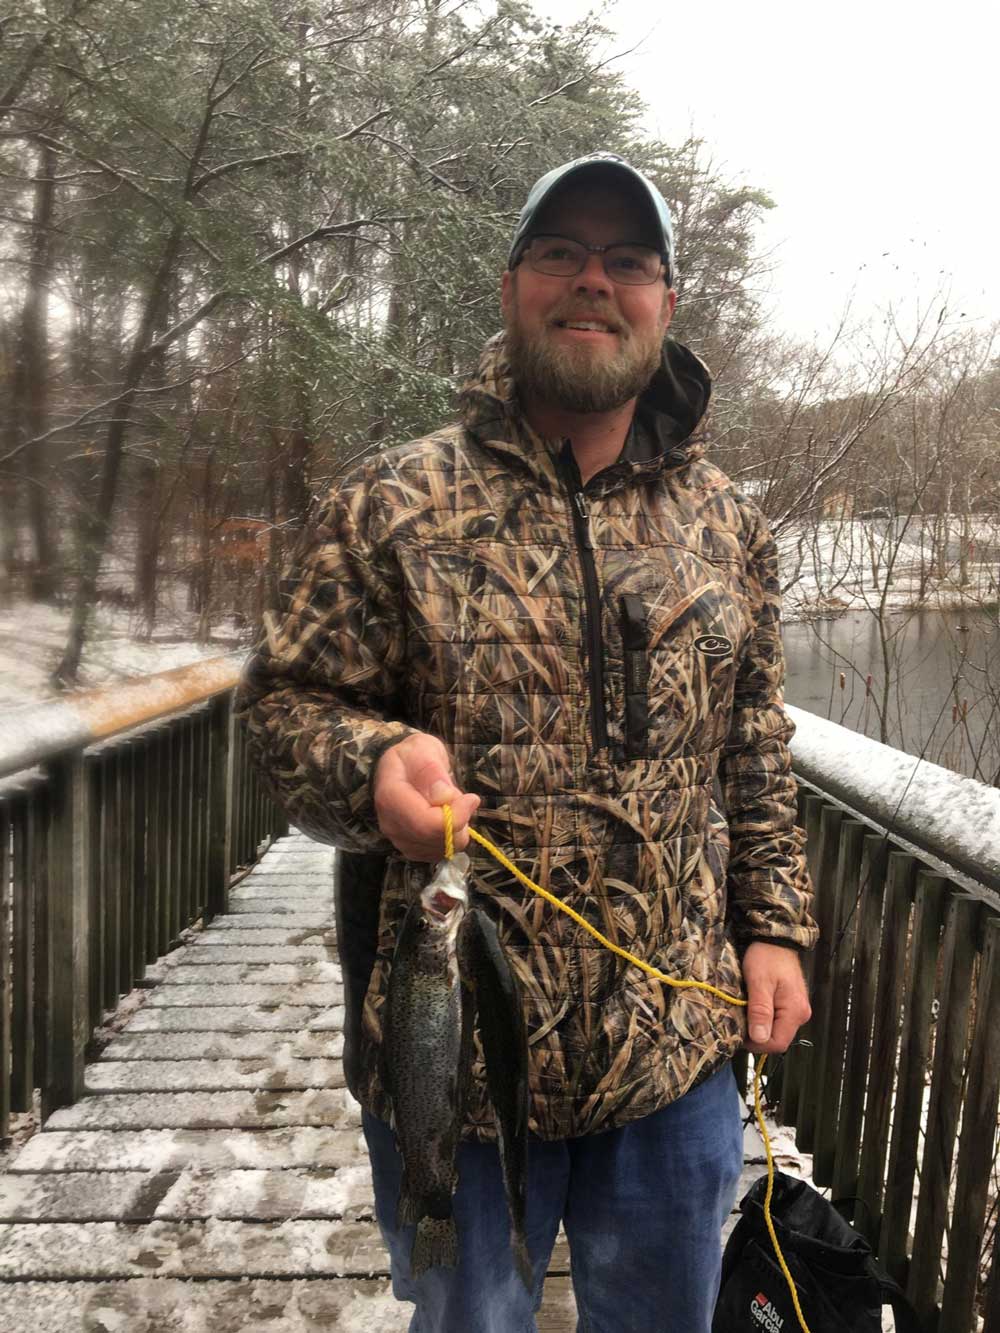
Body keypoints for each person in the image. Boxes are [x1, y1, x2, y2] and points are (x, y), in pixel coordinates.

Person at [237, 151, 817, 1333]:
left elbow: (753, 745)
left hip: (673, 1061)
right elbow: (281, 709)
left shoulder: (729, 525)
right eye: (559, 254)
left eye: (626, 262)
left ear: (663, 300)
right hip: (447, 1067)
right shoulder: (389, 502)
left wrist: (775, 929)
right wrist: (371, 766)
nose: (591, 282)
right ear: (511, 288)